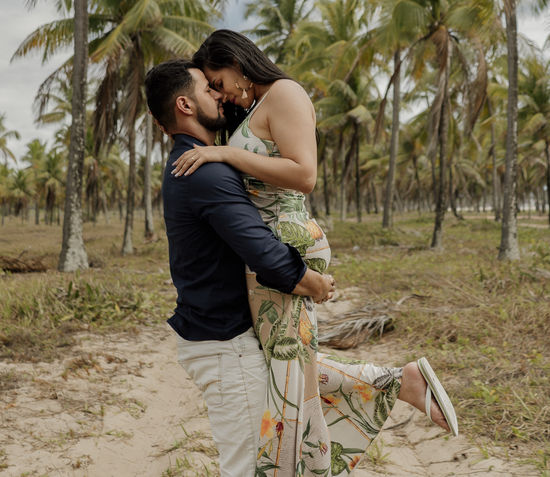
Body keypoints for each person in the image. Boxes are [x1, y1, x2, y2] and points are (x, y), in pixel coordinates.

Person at [173, 29, 460, 476]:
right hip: (271, 247)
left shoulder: (284, 92)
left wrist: (225, 154)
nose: (219, 93)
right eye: (210, 88)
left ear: (236, 63)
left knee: (288, 373)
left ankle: (305, 462)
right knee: (286, 365)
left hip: (285, 242)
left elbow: (304, 174)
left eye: (218, 82)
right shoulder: (258, 106)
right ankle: (401, 382)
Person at [144, 59, 336, 477]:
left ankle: (398, 381)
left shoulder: (195, 163)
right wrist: (314, 283)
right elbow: (263, 251)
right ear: (185, 105)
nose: (219, 94)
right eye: (207, 88)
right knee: (248, 469)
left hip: (221, 337)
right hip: (227, 344)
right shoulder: (204, 172)